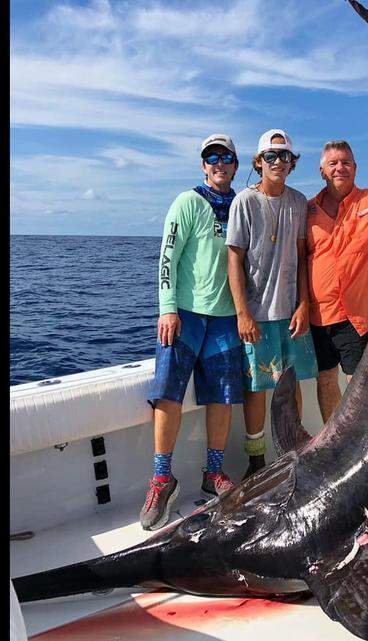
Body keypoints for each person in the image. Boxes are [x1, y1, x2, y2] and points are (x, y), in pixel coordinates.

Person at [141, 133, 243, 531]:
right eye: (211, 158)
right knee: (168, 394)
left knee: (222, 397)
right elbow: (167, 257)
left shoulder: (242, 206)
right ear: (204, 166)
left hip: (225, 318)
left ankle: (212, 472)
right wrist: (167, 309)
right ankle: (162, 478)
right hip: (183, 316)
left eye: (226, 157)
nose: (219, 163)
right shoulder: (187, 202)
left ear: (235, 164)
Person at [226, 129, 318, 479]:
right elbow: (234, 258)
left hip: (292, 313)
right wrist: (243, 313)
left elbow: (301, 256)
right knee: (257, 388)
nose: (277, 162)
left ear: (293, 163)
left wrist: (303, 304)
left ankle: (294, 450)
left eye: (284, 156)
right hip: (257, 315)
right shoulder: (244, 202)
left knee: (291, 384)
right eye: (271, 156)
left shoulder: (298, 201)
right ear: (258, 162)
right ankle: (256, 459)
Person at [306, 140, 368, 422]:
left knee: (359, 385)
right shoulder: (307, 210)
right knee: (325, 379)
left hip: (357, 315)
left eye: (346, 162)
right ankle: (331, 438)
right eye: (333, 163)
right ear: (322, 170)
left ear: (356, 168)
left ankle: (360, 441)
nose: (340, 168)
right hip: (317, 316)